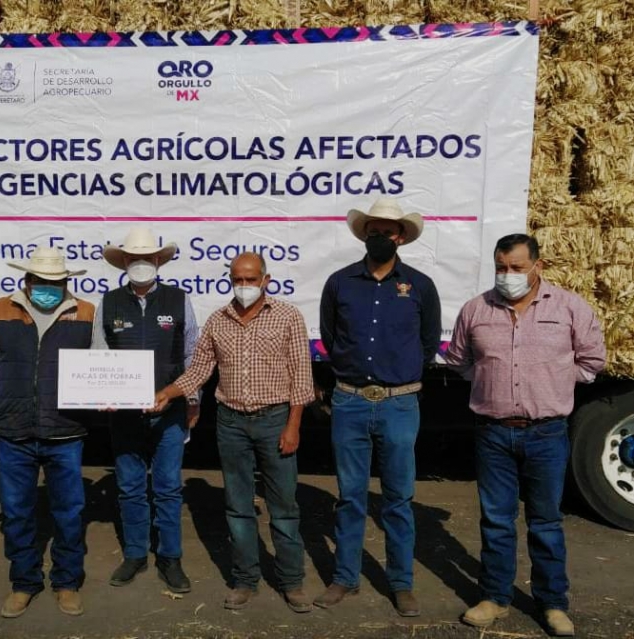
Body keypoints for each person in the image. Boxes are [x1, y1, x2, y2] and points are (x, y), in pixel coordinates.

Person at [444, 233, 605, 637]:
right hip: (493, 433)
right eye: (501, 267)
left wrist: (555, 383)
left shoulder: (569, 308)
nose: (508, 275)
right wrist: (490, 384)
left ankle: (552, 603)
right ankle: (494, 597)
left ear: (538, 266)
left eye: (517, 267)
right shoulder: (476, 309)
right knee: (496, 520)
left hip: (546, 433)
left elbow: (592, 360)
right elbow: (459, 361)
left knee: (546, 522)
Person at [152, 252, 315, 613]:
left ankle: (292, 582)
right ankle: (245, 580)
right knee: (238, 506)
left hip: (275, 419)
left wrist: (293, 425)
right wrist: (168, 392)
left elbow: (302, 376)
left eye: (251, 279)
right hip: (231, 423)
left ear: (265, 280)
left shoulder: (288, 316)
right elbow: (199, 371)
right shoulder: (218, 320)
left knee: (284, 507)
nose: (244, 286)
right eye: (237, 280)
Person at [317, 197, 441, 616]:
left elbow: (428, 342)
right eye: (374, 231)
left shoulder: (420, 286)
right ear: (364, 235)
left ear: (401, 237)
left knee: (398, 498)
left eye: (388, 232)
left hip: (399, 403)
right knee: (350, 496)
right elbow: (331, 338)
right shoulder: (340, 283)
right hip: (350, 400)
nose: (381, 237)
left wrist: (400, 373)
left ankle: (401, 583)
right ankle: (344, 578)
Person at [0, 247, 94, 619]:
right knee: (17, 513)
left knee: (69, 513)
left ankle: (67, 582)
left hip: (66, 431)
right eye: (41, 281)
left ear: (66, 281)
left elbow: (100, 364)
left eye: (56, 281)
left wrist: (106, 395)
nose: (48, 287)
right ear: (27, 279)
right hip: (13, 431)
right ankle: (24, 582)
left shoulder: (87, 312)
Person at [93, 228, 199, 593]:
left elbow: (192, 353)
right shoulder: (109, 302)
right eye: (134, 258)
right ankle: (136, 554)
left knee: (168, 488)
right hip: (124, 415)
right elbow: (99, 353)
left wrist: (192, 399)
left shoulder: (178, 299)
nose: (141, 263)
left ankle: (170, 558)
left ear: (158, 261)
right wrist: (101, 391)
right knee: (130, 487)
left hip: (169, 411)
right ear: (123, 261)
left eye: (147, 258)